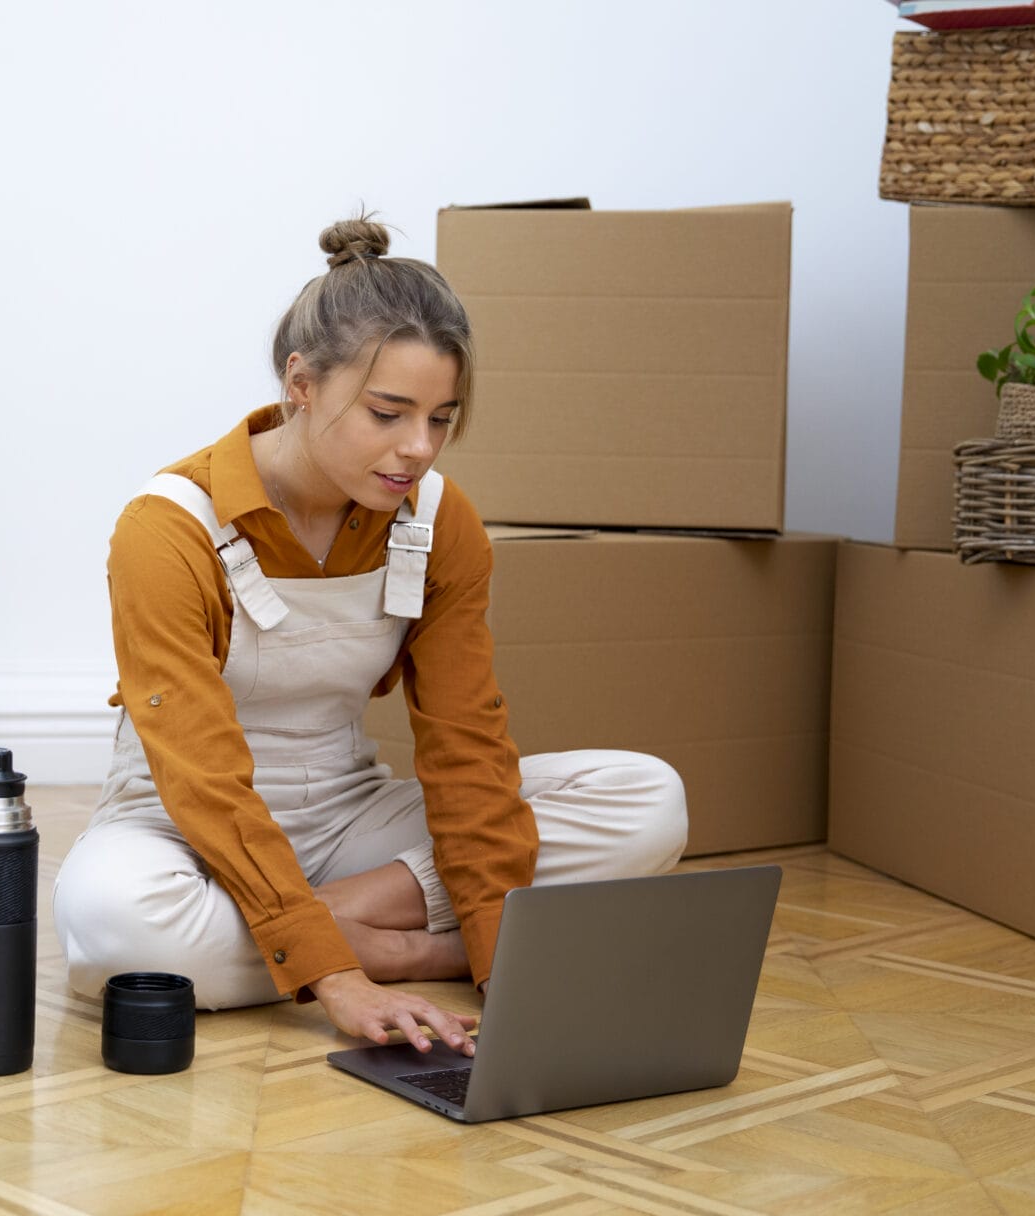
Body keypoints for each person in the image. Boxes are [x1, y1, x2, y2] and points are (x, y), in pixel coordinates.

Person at [53, 216, 688, 1056]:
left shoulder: (438, 520)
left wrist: (506, 968)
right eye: (388, 413)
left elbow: (466, 743)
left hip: (349, 814)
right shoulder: (167, 529)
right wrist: (348, 975)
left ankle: (299, 933)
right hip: (180, 822)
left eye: (441, 418)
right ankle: (403, 947)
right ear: (301, 382)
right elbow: (198, 771)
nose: (417, 449)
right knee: (119, 928)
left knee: (645, 800)